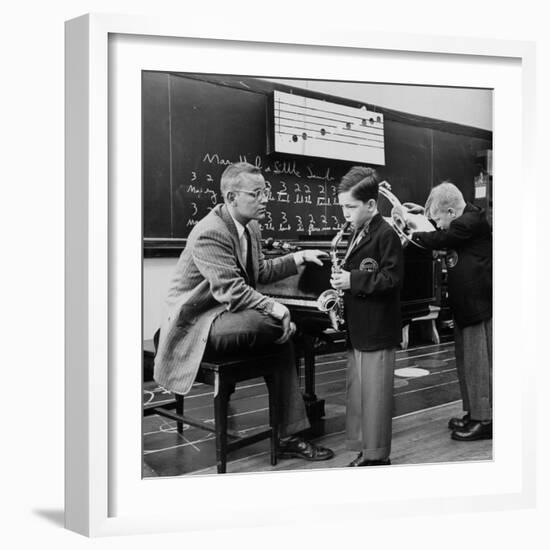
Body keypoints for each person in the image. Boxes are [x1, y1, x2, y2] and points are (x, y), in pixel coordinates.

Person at [154, 162, 334, 462]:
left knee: (281, 334)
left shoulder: (250, 226)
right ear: (230, 197)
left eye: (266, 192)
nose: (265, 199)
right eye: (257, 193)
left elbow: (261, 272)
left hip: (224, 314)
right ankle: (288, 433)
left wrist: (299, 257)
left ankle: (287, 435)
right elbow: (233, 291)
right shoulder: (209, 232)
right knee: (275, 322)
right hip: (196, 323)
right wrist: (276, 308)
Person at [405, 182, 492, 441]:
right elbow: (445, 224)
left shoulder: (467, 223)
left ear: (453, 213)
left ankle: (484, 420)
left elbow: (440, 238)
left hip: (476, 305)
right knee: (466, 362)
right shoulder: (465, 217)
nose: (438, 224)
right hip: (465, 305)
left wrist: (412, 231)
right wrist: (424, 212)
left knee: (477, 365)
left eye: (439, 219)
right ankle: (474, 412)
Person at [330, 166, 404, 467]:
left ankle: (377, 457)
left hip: (377, 327)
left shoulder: (386, 234)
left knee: (375, 396)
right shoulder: (357, 231)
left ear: (371, 206)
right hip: (359, 326)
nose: (345, 213)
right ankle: (363, 448)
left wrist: (352, 280)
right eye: (343, 207)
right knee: (359, 392)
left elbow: (392, 279)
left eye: (351, 207)